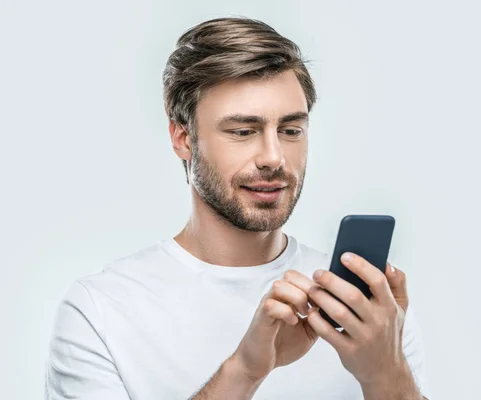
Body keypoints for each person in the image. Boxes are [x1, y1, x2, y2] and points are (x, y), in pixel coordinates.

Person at [44, 17, 432, 400]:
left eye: (290, 130)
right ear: (183, 138)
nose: (273, 157)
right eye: (243, 131)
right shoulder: (100, 311)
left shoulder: (368, 310)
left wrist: (386, 374)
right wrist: (244, 371)